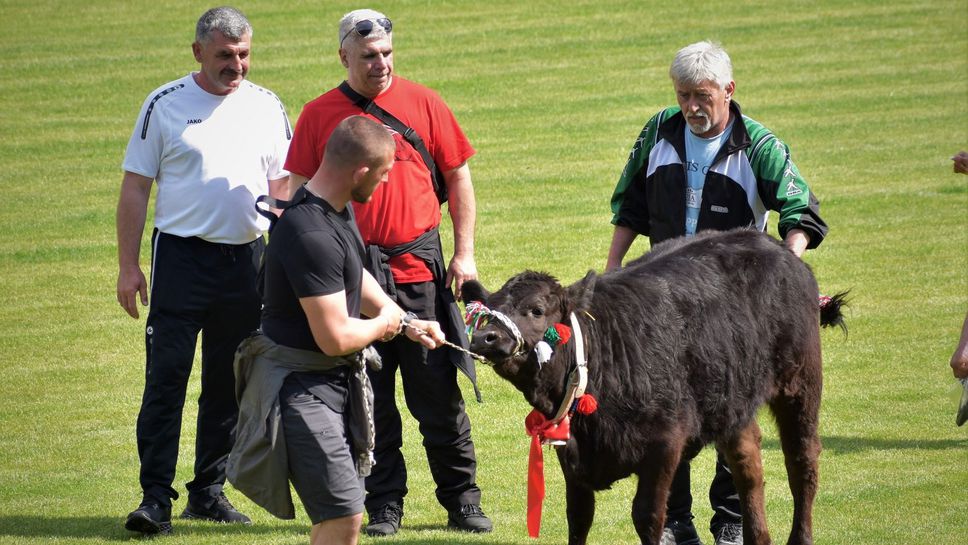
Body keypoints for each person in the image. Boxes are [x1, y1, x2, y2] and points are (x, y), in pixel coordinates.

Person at [606, 41, 828, 545]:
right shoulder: (659, 131)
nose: (692, 107)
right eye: (683, 96)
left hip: (734, 306)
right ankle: (675, 520)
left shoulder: (759, 145)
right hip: (662, 302)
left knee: (735, 406)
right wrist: (614, 270)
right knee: (663, 410)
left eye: (702, 96)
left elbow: (800, 211)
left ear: (729, 90)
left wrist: (783, 278)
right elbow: (630, 205)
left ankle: (731, 518)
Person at [283, 8, 490, 536]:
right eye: (369, 55)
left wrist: (463, 254)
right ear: (344, 56)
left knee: (438, 396)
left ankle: (462, 499)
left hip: (419, 269)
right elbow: (300, 194)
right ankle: (384, 505)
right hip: (350, 277)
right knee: (370, 401)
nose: (380, 64)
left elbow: (458, 178)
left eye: (387, 54)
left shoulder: (424, 102)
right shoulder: (318, 114)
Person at [228, 115, 447, 545]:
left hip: (326, 384)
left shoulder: (335, 208)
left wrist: (403, 320)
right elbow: (335, 337)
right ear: (360, 172)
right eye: (383, 175)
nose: (384, 184)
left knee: (341, 510)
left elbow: (352, 276)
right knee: (344, 511)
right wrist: (383, 325)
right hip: (298, 389)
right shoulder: (309, 232)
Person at [115, 6, 291, 536]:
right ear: (198, 53)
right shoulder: (164, 104)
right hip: (180, 259)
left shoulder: (267, 105)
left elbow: (284, 184)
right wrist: (128, 266)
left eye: (242, 54)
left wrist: (284, 256)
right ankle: (154, 498)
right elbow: (135, 188)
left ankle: (208, 493)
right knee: (166, 379)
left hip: (246, 261)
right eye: (223, 55)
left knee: (227, 383)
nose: (235, 64)